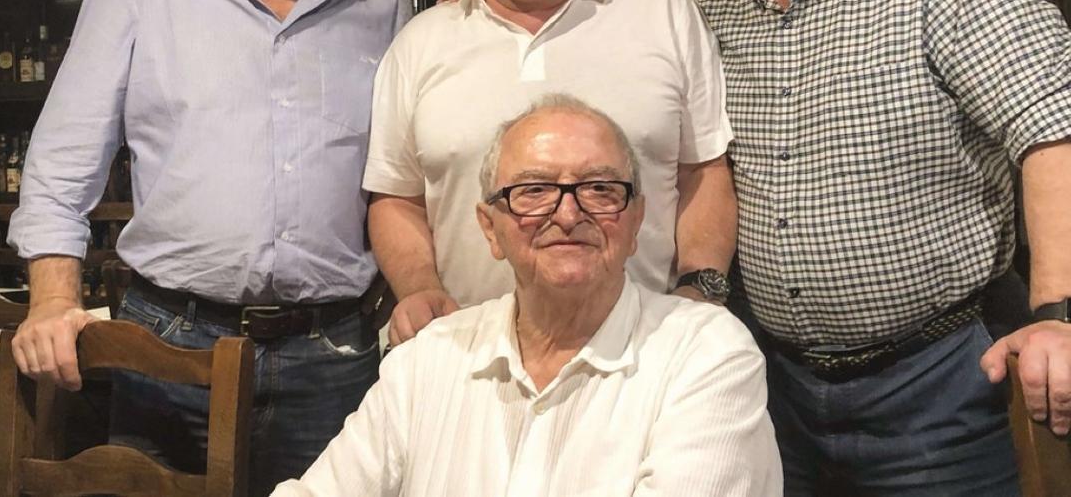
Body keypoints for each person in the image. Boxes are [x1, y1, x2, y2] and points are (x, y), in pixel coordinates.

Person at [679, 0, 1071, 494]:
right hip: (771, 392)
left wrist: (1060, 312)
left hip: (944, 388)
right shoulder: (700, 9)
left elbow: (1052, 122)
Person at [7, 0, 411, 494]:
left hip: (335, 355)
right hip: (168, 346)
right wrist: (51, 299)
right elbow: (62, 163)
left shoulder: (385, 8)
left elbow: (404, 181)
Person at [365, 0, 737, 348]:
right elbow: (396, 196)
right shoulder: (419, 44)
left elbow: (704, 169)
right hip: (471, 363)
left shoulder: (662, 7)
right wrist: (419, 287)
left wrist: (700, 288)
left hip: (648, 357)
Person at [274, 94, 781, 497]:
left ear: (635, 222)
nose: (568, 214)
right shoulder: (426, 361)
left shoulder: (707, 353)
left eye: (600, 188)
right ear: (489, 228)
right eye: (533, 190)